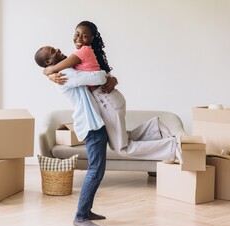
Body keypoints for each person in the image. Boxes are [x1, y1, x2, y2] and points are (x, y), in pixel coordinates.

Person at [43, 20, 180, 161]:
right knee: (123, 140)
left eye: (84, 36)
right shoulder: (86, 53)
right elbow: (98, 73)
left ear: (91, 38)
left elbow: (54, 68)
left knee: (122, 149)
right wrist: (50, 75)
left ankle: (172, 148)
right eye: (77, 34)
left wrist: (48, 73)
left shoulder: (81, 53)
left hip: (106, 100)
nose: (79, 38)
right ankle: (154, 127)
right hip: (111, 99)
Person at [35, 46, 113, 226]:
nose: (58, 49)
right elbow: (98, 77)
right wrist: (107, 76)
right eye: (53, 51)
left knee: (98, 170)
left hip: (94, 123)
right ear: (48, 62)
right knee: (95, 170)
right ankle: (80, 216)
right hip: (90, 125)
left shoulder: (61, 71)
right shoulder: (65, 75)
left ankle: (87, 210)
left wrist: (47, 72)